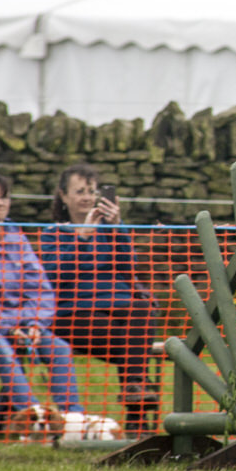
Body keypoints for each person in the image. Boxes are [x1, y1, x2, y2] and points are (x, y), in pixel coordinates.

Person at [0, 174, 83, 432]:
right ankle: (32, 419)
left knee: (60, 349)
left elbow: (41, 291)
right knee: (2, 349)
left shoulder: (19, 241)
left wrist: (33, 325)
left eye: (4, 197)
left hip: (25, 324)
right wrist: (10, 328)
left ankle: (72, 420)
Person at [38, 164, 160, 426]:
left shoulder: (110, 229)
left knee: (142, 309)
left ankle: (134, 391)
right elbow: (53, 276)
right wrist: (80, 238)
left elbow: (129, 267)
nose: (86, 196)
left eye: (91, 191)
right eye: (79, 190)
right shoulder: (53, 234)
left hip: (119, 305)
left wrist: (118, 227)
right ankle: (137, 417)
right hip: (73, 313)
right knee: (133, 348)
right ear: (63, 195)